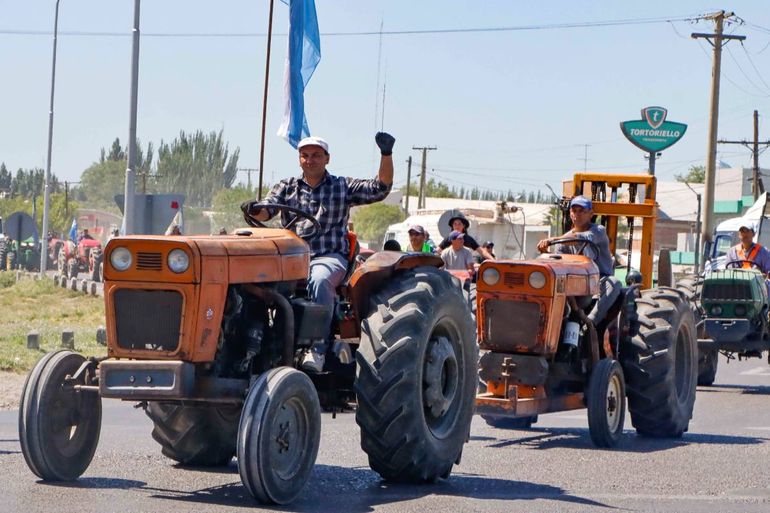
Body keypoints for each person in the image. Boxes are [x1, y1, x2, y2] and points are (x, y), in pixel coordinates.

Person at [249, 132, 395, 372]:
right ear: (299, 160)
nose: (310, 160)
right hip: (290, 260)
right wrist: (254, 210)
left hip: (328, 257)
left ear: (327, 158)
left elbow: (380, 188)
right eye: (305, 155)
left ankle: (317, 349)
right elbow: (266, 212)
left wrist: (386, 154)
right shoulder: (286, 187)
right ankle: (254, 340)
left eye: (316, 155)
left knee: (318, 279)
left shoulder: (342, 186)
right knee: (252, 281)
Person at [536, 195, 620, 326]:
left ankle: (591, 322)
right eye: (574, 211)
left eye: (582, 211)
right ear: (570, 214)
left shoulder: (598, 231)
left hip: (598, 281)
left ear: (591, 214)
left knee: (614, 283)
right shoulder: (562, 241)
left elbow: (582, 237)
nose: (577, 214)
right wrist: (546, 254)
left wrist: (551, 240)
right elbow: (558, 263)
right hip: (574, 283)